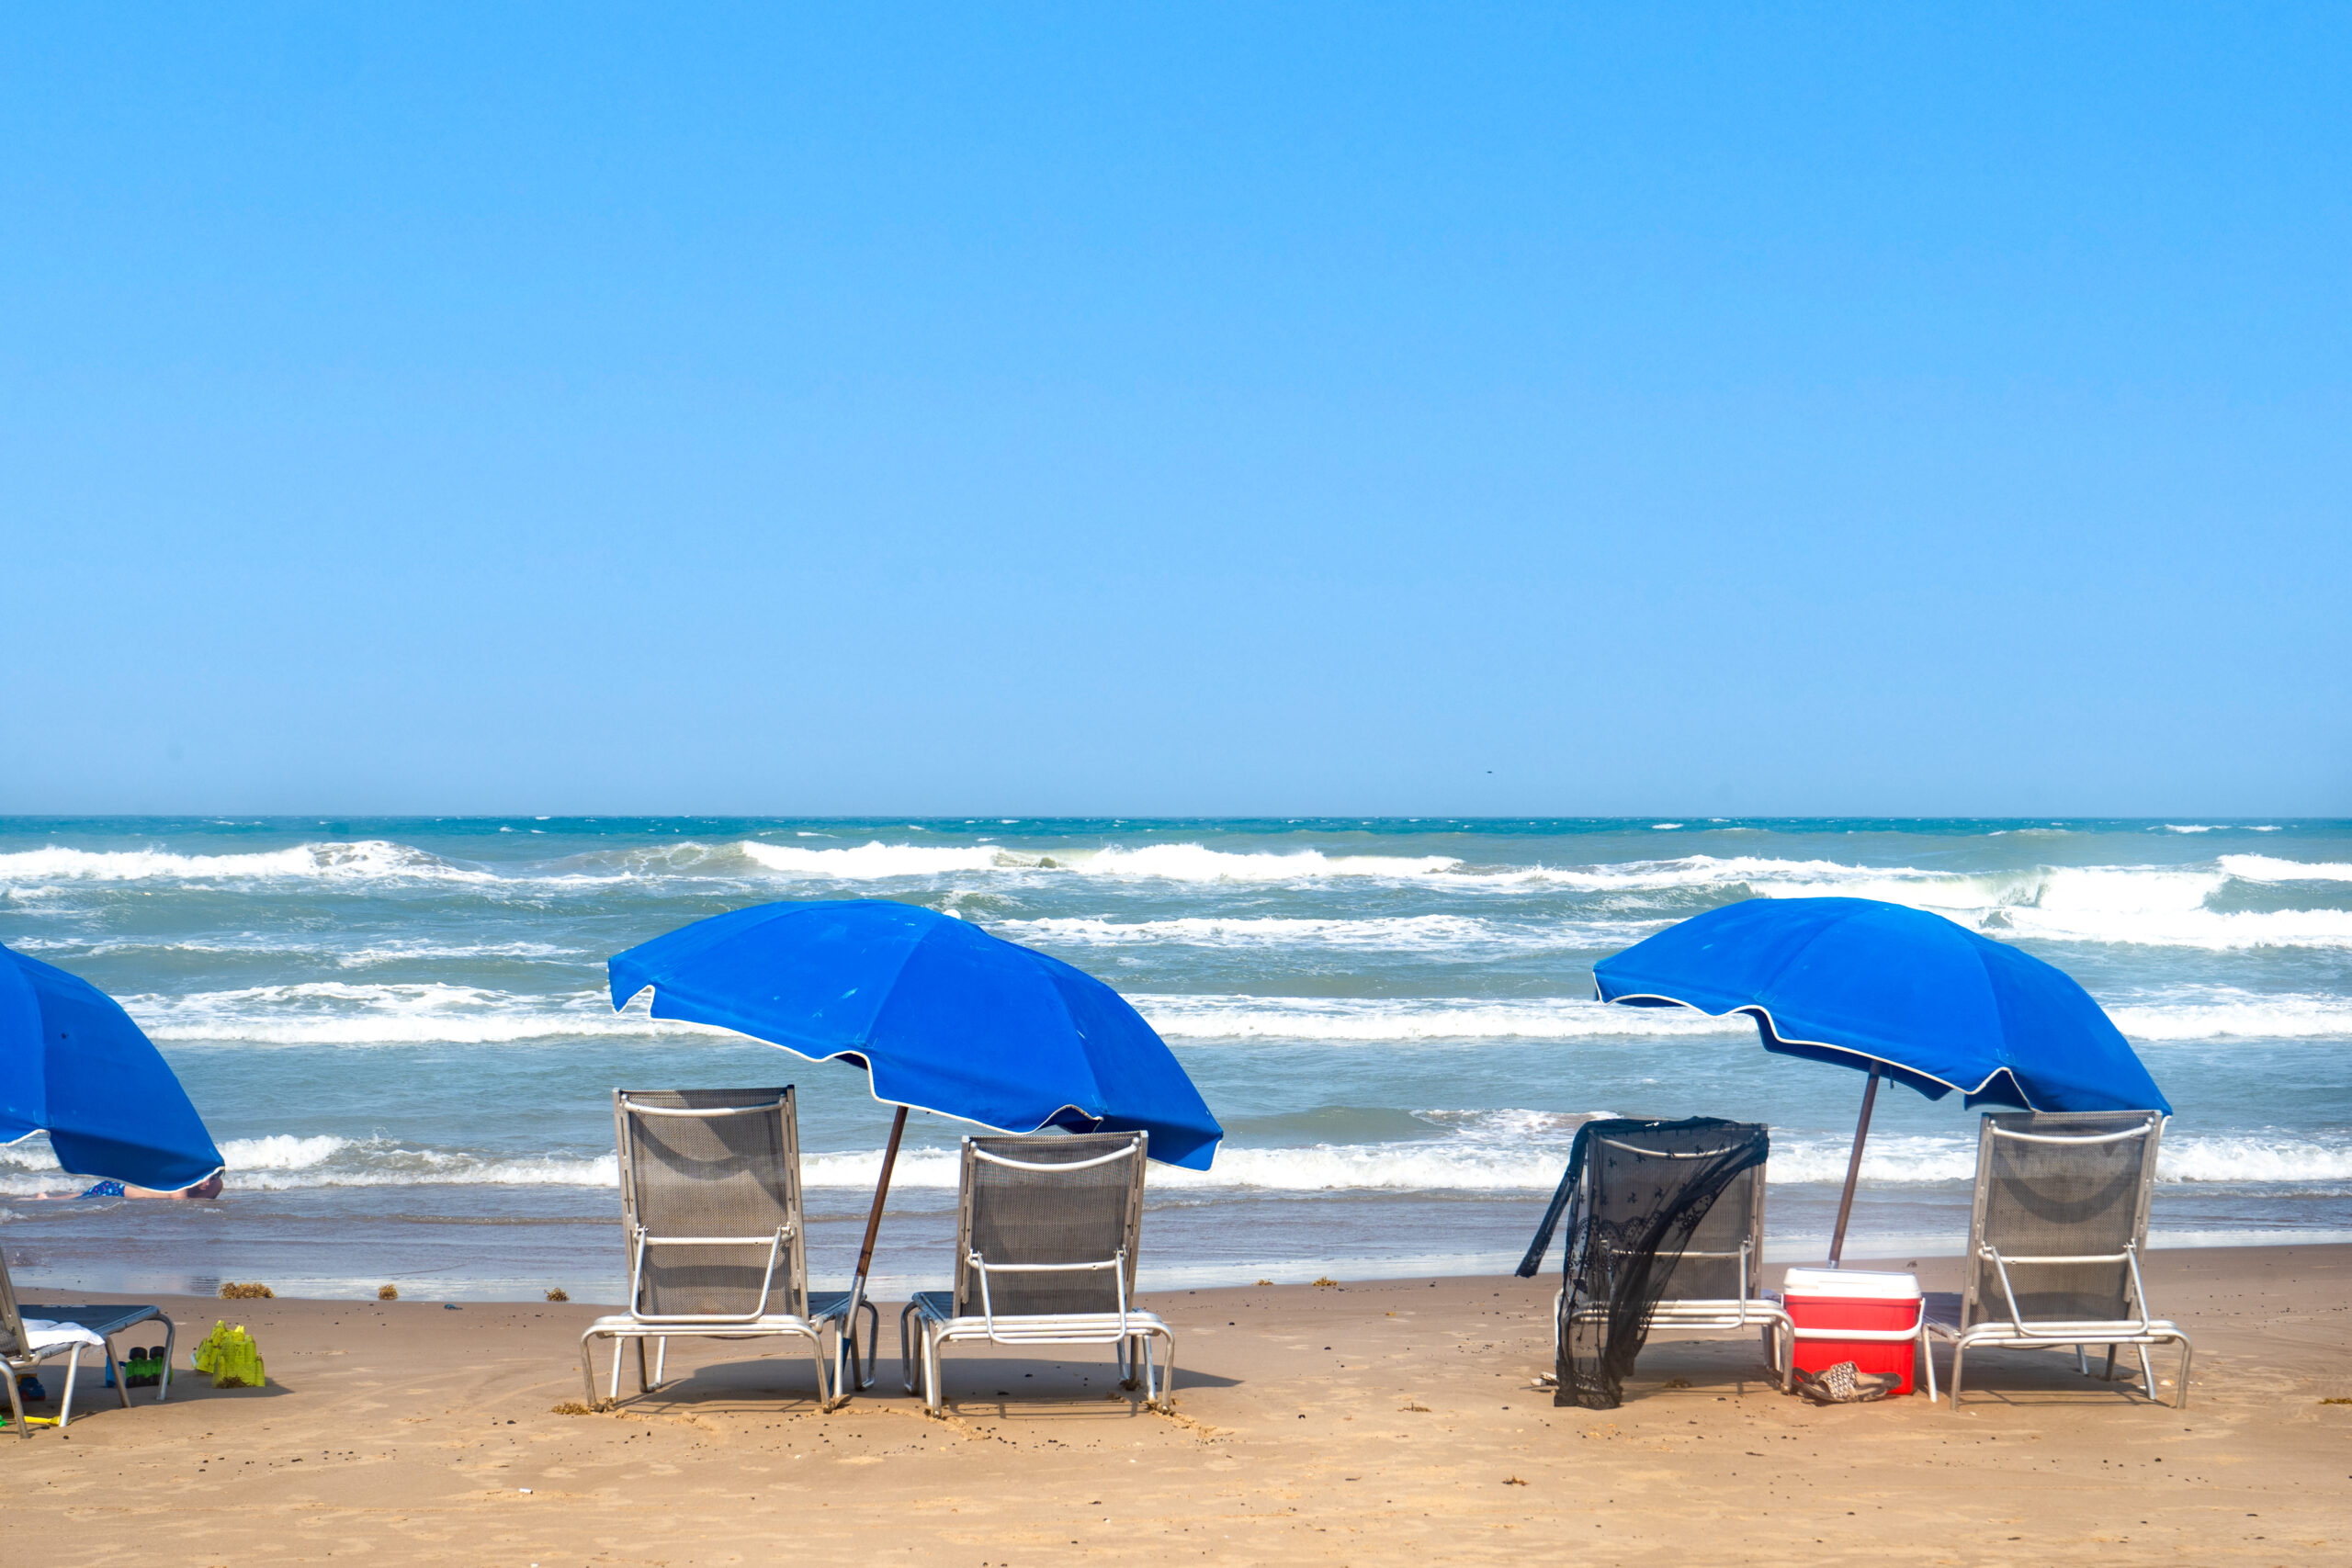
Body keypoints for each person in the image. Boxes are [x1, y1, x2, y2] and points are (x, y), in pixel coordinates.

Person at [32, 1171, 224, 1201]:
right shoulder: (180, 1187)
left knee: (82, 1195)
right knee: (80, 1199)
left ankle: (47, 1198)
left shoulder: (215, 1183)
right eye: (204, 1179)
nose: (206, 1184)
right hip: (115, 1190)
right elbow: (183, 1206)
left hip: (120, 1188)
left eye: (212, 1179)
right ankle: (45, 1200)